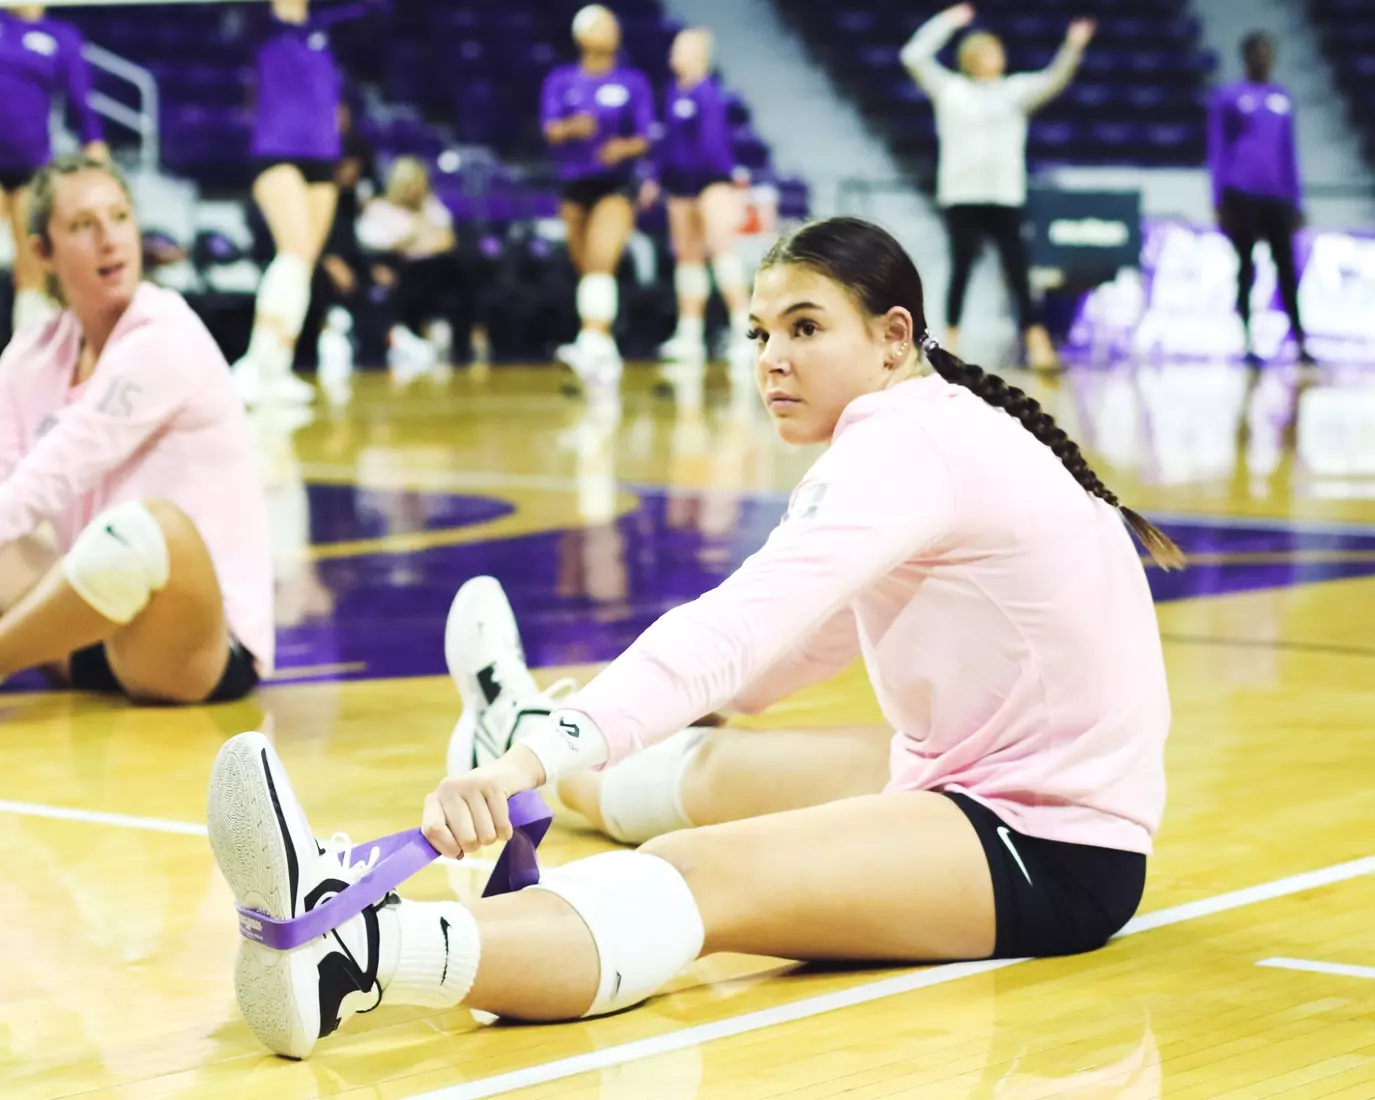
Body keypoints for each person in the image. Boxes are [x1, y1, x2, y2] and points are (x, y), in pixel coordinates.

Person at [209, 214, 1182, 1059]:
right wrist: (582, 732)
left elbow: (737, 625)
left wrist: (535, 761)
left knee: (688, 872)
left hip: (1045, 846)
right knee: (712, 764)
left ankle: (356, 951)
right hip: (1004, 786)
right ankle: (504, 725)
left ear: (892, 336)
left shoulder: (901, 444)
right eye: (760, 332)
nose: (772, 358)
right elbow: (794, 647)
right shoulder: (942, 422)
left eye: (805, 327)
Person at [0, 153, 272, 704]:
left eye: (120, 217)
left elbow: (56, 470)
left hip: (190, 646)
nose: (110, 239)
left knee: (152, 529)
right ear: (42, 252)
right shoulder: (29, 355)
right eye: (83, 225)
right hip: (95, 634)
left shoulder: (166, 337)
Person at [901, 3, 1093, 370]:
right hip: (962, 195)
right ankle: (949, 343)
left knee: (1018, 271)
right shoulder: (951, 90)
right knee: (961, 269)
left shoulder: (1014, 92)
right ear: (972, 57)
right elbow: (913, 56)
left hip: (1005, 195)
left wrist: (1073, 46)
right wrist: (948, 22)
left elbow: (1055, 78)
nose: (997, 57)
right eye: (989, 51)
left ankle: (1037, 343)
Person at [231, 0, 382, 407]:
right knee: (293, 253)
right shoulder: (261, 24)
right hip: (277, 150)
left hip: (323, 154)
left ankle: (276, 366)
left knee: (303, 265)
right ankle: (255, 363)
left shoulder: (327, 28)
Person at [541, 4, 655, 393]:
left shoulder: (632, 82)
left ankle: (592, 339)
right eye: (601, 24)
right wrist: (573, 128)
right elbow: (550, 129)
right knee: (586, 266)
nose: (611, 30)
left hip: (615, 183)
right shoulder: (562, 80)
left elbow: (645, 136)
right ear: (581, 35)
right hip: (575, 184)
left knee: (601, 260)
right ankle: (600, 343)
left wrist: (621, 148)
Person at [0, 4, 107, 335]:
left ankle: (26, 351)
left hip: (30, 168)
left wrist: (97, 157)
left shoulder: (61, 37)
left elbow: (81, 106)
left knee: (31, 273)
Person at [1207, 31, 1312, 366]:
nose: (1264, 59)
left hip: (1277, 197)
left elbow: (1289, 152)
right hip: (1241, 195)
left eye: (1268, 53)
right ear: (1247, 57)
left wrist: (1297, 200)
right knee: (1246, 267)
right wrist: (1219, 198)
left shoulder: (1282, 99)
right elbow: (1218, 149)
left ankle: (1299, 341)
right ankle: (1247, 340)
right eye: (1258, 53)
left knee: (1287, 269)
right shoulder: (1229, 97)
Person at [655, 28, 752, 373]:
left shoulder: (710, 93)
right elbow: (668, 144)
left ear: (701, 55)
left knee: (722, 252)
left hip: (711, 181)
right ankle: (689, 334)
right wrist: (661, 178)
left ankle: (746, 332)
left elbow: (713, 144)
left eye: (682, 48)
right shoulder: (672, 92)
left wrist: (717, 183)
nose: (675, 53)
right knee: (687, 257)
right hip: (680, 185)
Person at [356, 155, 462, 381]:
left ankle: (440, 331)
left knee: (452, 266)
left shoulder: (431, 207)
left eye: (417, 183)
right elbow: (374, 244)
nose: (412, 190)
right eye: (407, 184)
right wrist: (413, 239)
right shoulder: (379, 209)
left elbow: (447, 240)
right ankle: (404, 337)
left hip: (432, 270)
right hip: (395, 269)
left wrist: (416, 241)